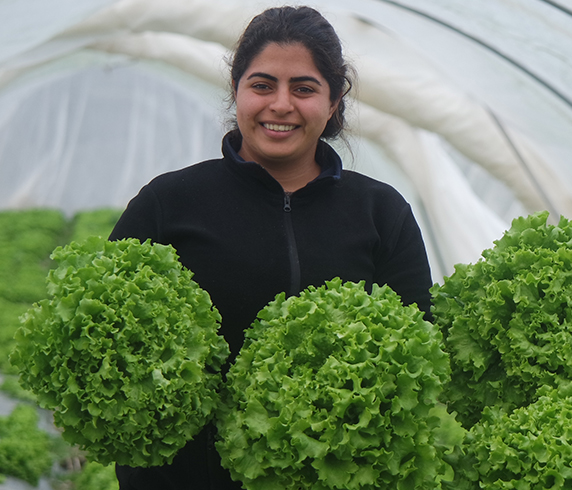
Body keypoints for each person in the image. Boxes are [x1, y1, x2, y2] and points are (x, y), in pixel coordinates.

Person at [108, 6, 433, 489]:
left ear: (334, 100)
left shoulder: (381, 213)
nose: (281, 105)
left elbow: (418, 358)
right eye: (262, 85)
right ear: (236, 90)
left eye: (303, 88)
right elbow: (113, 340)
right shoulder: (169, 203)